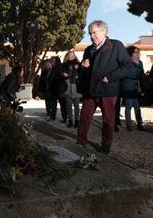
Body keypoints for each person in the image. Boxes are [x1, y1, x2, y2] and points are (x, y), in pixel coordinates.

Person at [77, 20, 133, 154]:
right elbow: (84, 70)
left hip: (107, 90)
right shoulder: (89, 49)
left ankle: (106, 145)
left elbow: (127, 65)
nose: (91, 36)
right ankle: (80, 142)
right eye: (90, 33)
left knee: (108, 120)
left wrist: (110, 77)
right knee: (84, 118)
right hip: (90, 90)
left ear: (104, 32)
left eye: (94, 33)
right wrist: (82, 66)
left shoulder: (116, 45)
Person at [122, 46, 145, 131]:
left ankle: (140, 124)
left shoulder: (140, 63)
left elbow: (141, 74)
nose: (138, 54)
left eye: (138, 52)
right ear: (131, 53)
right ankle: (129, 125)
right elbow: (126, 74)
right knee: (129, 106)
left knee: (137, 106)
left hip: (137, 87)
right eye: (135, 52)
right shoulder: (127, 62)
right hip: (128, 86)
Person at [61, 51, 81, 128]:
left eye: (73, 55)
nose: (71, 56)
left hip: (76, 85)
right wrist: (63, 74)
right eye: (70, 55)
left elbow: (82, 73)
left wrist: (78, 69)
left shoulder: (78, 64)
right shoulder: (64, 65)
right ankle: (70, 121)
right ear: (67, 56)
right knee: (68, 105)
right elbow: (60, 74)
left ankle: (77, 121)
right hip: (67, 85)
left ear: (75, 56)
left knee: (76, 105)